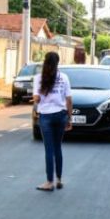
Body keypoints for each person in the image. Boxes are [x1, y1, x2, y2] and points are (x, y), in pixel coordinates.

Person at [33, 52, 72, 191]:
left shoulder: (38, 78)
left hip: (46, 116)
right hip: (61, 115)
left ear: (45, 61)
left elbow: (36, 99)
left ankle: (49, 182)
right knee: (58, 148)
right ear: (58, 62)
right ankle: (59, 179)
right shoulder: (64, 77)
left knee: (49, 150)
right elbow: (69, 99)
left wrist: (36, 99)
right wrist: (69, 117)